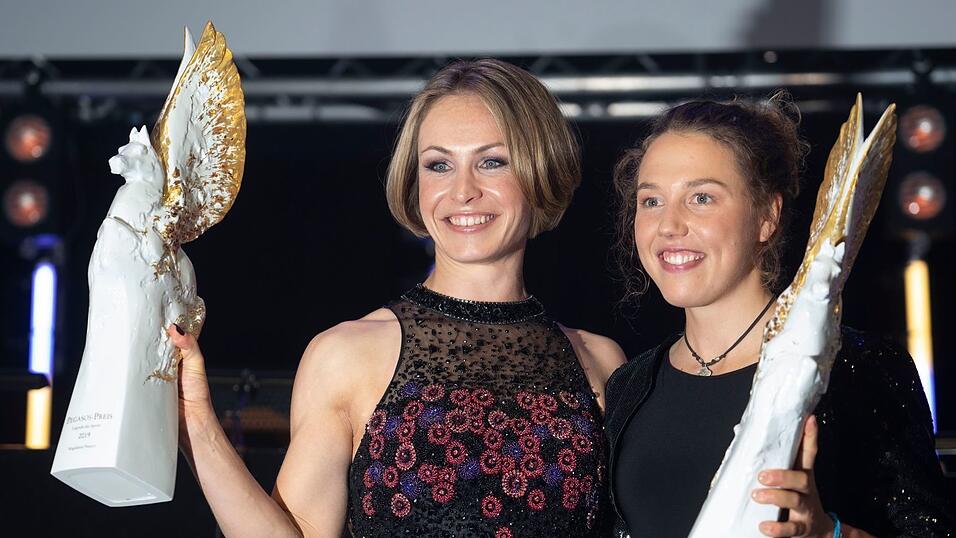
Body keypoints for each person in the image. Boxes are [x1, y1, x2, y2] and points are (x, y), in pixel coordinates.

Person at [168, 58, 625, 537]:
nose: (462, 191)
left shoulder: (599, 362)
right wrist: (196, 421)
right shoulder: (347, 355)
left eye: (492, 161)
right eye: (438, 165)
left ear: (540, 170)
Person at [604, 96, 954, 538]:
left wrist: (829, 533)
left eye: (701, 197)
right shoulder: (630, 385)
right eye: (651, 201)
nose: (669, 224)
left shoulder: (859, 369)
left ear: (767, 216)